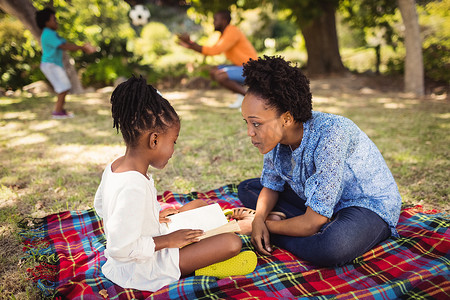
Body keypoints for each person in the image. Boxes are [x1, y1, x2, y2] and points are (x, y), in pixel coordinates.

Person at [233, 56, 402, 267]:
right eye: (247, 123)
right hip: (314, 199)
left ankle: (283, 228)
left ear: (286, 119)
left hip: (364, 205)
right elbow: (271, 184)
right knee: (248, 188)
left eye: (256, 124)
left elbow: (313, 222)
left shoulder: (332, 133)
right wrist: (258, 218)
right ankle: (292, 224)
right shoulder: (275, 138)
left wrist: (260, 225)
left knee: (331, 247)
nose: (250, 132)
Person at [93, 76, 256, 292]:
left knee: (198, 205)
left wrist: (149, 217)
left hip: (151, 238)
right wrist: (169, 240)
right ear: (154, 140)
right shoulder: (133, 186)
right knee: (231, 243)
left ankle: (198, 249)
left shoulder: (115, 166)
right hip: (142, 267)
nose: (174, 149)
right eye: (174, 142)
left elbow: (101, 206)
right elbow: (120, 249)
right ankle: (203, 267)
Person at [177, 10, 257, 108]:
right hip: (241, 67)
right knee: (214, 71)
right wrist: (190, 44)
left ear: (224, 21)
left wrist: (191, 44)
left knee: (220, 75)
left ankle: (250, 100)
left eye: (215, 20)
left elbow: (214, 50)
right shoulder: (224, 34)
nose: (213, 23)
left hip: (251, 69)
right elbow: (209, 49)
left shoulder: (232, 31)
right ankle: (241, 97)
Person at [35, 8, 96, 119]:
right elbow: (64, 46)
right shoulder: (48, 34)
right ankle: (57, 112)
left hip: (53, 64)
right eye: (54, 19)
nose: (56, 21)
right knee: (63, 88)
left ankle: (60, 110)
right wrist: (82, 47)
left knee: (64, 87)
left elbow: (65, 44)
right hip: (50, 65)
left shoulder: (52, 33)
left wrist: (82, 47)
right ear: (46, 22)